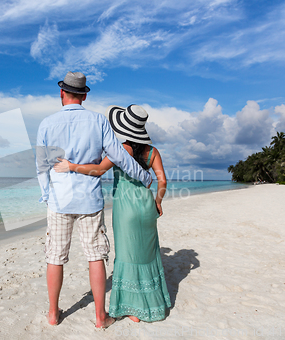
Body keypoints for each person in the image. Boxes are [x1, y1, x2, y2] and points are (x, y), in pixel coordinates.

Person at [36, 72, 152, 328]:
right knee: (95, 256)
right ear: (85, 95)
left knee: (55, 256)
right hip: (89, 199)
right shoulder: (98, 121)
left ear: (62, 93)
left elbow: (41, 168)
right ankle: (100, 317)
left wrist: (47, 195)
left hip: (59, 201)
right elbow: (119, 157)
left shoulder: (46, 124)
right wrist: (143, 176)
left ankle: (54, 314)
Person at [54, 104, 171, 322]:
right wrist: (158, 201)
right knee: (147, 254)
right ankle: (151, 303)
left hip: (126, 210)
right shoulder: (153, 152)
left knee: (127, 255)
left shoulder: (120, 149)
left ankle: (132, 309)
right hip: (146, 206)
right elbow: (162, 180)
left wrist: (71, 166)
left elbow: (97, 170)